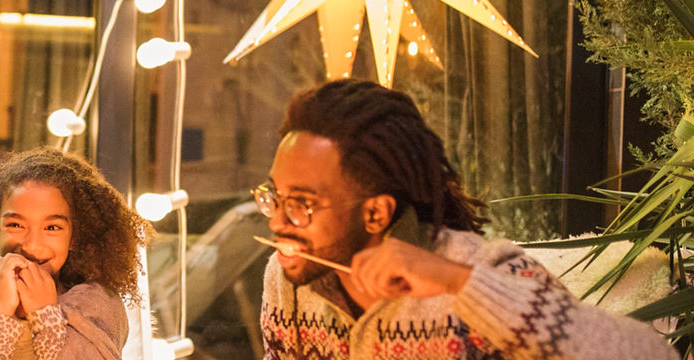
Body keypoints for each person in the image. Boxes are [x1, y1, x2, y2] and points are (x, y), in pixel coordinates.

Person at [254, 79, 677, 359]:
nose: (277, 220)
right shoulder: (288, 278)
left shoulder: (484, 274)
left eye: (301, 203)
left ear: (375, 212)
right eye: (274, 196)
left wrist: (460, 283)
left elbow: (649, 354)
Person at [0, 148, 150, 359]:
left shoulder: (97, 304)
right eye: (15, 225)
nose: (31, 245)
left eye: (52, 228)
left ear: (75, 236)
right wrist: (3, 313)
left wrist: (45, 314)